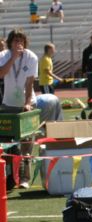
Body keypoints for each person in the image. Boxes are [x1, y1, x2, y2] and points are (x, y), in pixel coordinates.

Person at [0, 29, 38, 188]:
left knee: (27, 142)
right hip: (8, 104)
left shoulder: (31, 57)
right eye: (15, 41)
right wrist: (14, 57)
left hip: (26, 104)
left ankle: (25, 178)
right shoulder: (3, 55)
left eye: (21, 41)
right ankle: (9, 177)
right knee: (6, 142)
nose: (19, 44)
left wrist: (28, 103)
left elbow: (30, 83)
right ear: (10, 42)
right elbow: (1, 74)